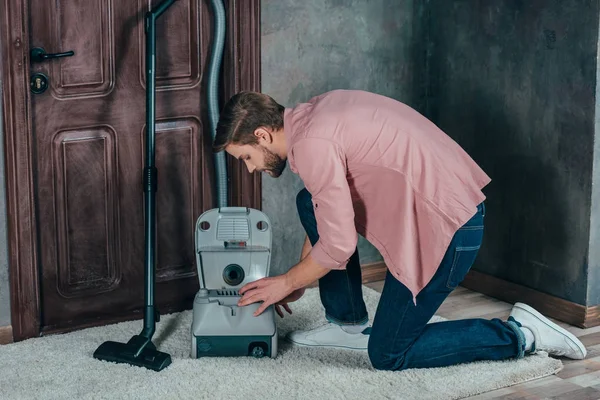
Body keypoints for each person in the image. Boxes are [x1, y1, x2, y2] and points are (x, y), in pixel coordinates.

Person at [212, 89, 587, 370]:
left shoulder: (312, 144)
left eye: (245, 158)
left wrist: (288, 281)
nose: (250, 168)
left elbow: (339, 244)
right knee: (307, 199)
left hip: (449, 231)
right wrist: (298, 280)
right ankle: (347, 323)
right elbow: (324, 214)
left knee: (388, 353)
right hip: (444, 209)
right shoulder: (311, 115)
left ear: (261, 135)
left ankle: (521, 333)